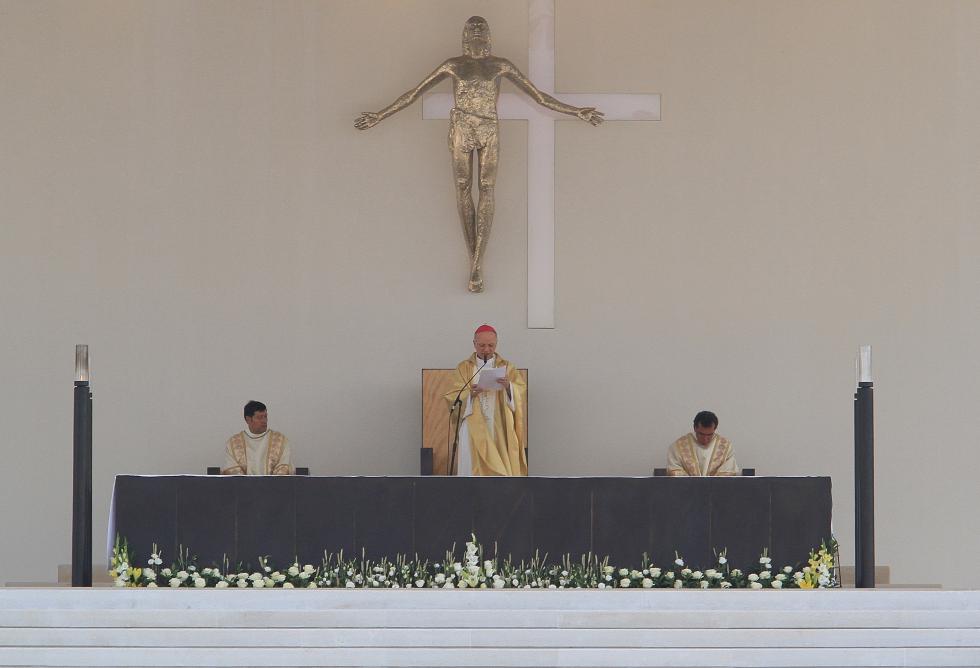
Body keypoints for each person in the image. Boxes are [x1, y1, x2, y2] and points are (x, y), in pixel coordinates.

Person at [355, 16, 603, 293]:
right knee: (462, 188)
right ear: (464, 34)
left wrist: (576, 111)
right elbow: (414, 93)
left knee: (486, 188)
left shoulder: (500, 65)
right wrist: (380, 115)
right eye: (472, 27)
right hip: (462, 127)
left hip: (488, 129)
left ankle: (477, 263)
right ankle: (474, 261)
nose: (476, 30)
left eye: (481, 27)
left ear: (488, 34)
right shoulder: (453, 65)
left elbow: (539, 96)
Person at [445, 324, 527, 476]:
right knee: (471, 467)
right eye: (482, 345)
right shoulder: (464, 368)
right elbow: (453, 396)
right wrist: (470, 395)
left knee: (499, 467)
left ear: (496, 344)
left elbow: (520, 392)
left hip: (499, 425)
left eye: (491, 345)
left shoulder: (507, 367)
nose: (486, 349)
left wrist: (509, 387)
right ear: (474, 344)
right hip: (472, 425)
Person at [221, 400, 293, 475]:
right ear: (248, 420)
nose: (264, 421)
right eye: (259, 417)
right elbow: (232, 470)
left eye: (265, 416)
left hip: (274, 483)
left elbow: (284, 467)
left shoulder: (280, 441)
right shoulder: (233, 443)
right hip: (243, 483)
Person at [666, 411, 739, 477]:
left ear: (715, 429)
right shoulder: (678, 447)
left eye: (710, 435)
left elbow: (728, 471)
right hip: (688, 487)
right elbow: (674, 469)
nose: (705, 439)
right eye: (701, 434)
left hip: (716, 487)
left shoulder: (725, 447)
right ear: (695, 428)